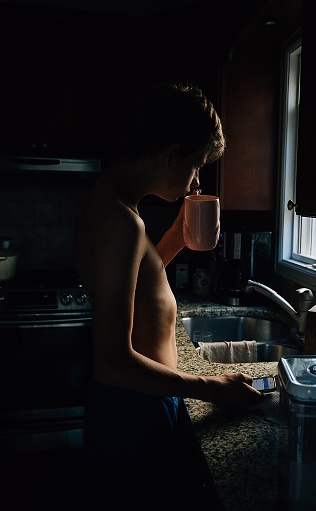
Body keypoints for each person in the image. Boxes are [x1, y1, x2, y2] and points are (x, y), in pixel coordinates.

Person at [74, 82, 264, 510]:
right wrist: (212, 387)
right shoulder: (120, 220)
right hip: (133, 406)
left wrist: (177, 237)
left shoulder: (111, 205)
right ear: (170, 154)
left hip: (135, 400)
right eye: (196, 165)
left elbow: (135, 283)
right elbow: (111, 362)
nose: (196, 179)